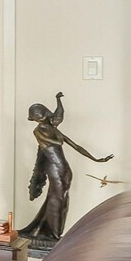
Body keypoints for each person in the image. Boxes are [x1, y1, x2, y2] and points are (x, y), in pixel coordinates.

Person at [17, 92, 112, 249]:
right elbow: (57, 142)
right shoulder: (38, 131)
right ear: (36, 119)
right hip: (54, 167)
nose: (44, 118)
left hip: (63, 168)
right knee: (58, 198)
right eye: (40, 117)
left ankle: (49, 231)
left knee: (61, 197)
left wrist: (96, 159)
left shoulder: (52, 128)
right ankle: (52, 233)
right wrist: (58, 134)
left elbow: (76, 146)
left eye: (44, 114)